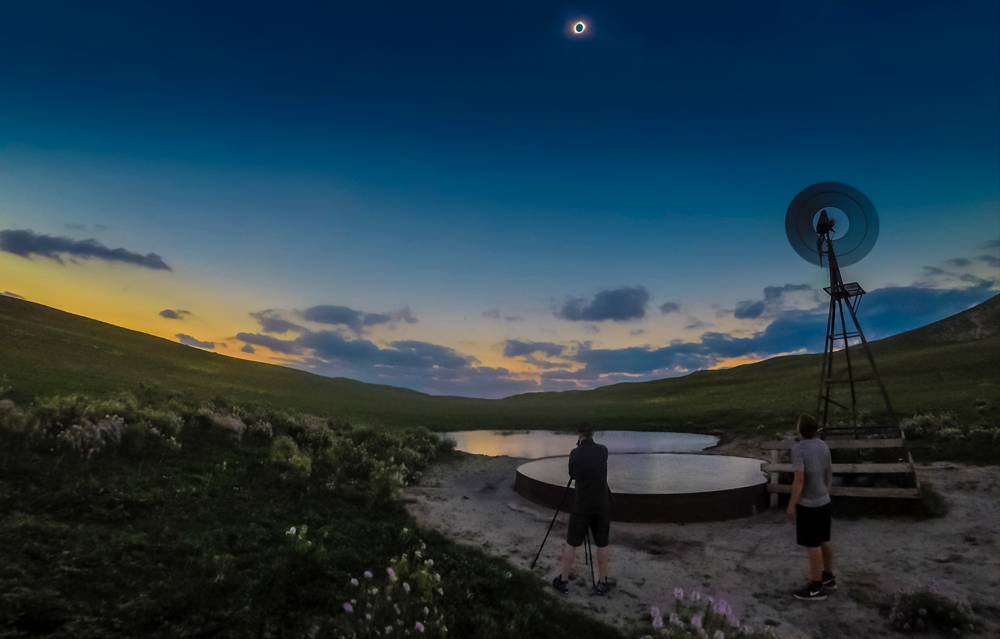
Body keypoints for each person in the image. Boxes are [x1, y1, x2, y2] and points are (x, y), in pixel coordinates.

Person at [552, 422, 613, 596]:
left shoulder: (575, 453)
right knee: (602, 543)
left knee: (571, 542)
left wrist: (579, 448)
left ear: (579, 435)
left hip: (582, 505)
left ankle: (563, 580)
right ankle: (602, 581)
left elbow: (572, 474)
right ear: (593, 433)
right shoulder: (603, 450)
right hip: (601, 504)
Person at [786, 414, 836, 601]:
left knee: (812, 544)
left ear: (799, 429)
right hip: (824, 500)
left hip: (809, 503)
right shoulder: (823, 445)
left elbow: (799, 478)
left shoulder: (799, 449)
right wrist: (826, 491)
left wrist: (791, 505)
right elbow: (829, 471)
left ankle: (816, 587)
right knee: (825, 540)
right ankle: (828, 577)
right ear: (815, 429)